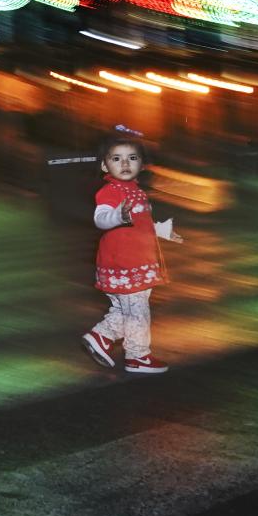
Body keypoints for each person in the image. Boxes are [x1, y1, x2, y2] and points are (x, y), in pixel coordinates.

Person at [80, 135, 182, 375]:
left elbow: (142, 223)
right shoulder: (110, 191)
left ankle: (101, 337)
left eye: (132, 158)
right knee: (137, 312)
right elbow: (101, 218)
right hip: (124, 264)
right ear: (105, 166)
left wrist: (163, 231)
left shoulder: (136, 191)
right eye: (116, 158)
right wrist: (118, 216)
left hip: (136, 263)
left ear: (141, 164)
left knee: (125, 309)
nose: (125, 163)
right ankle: (137, 356)